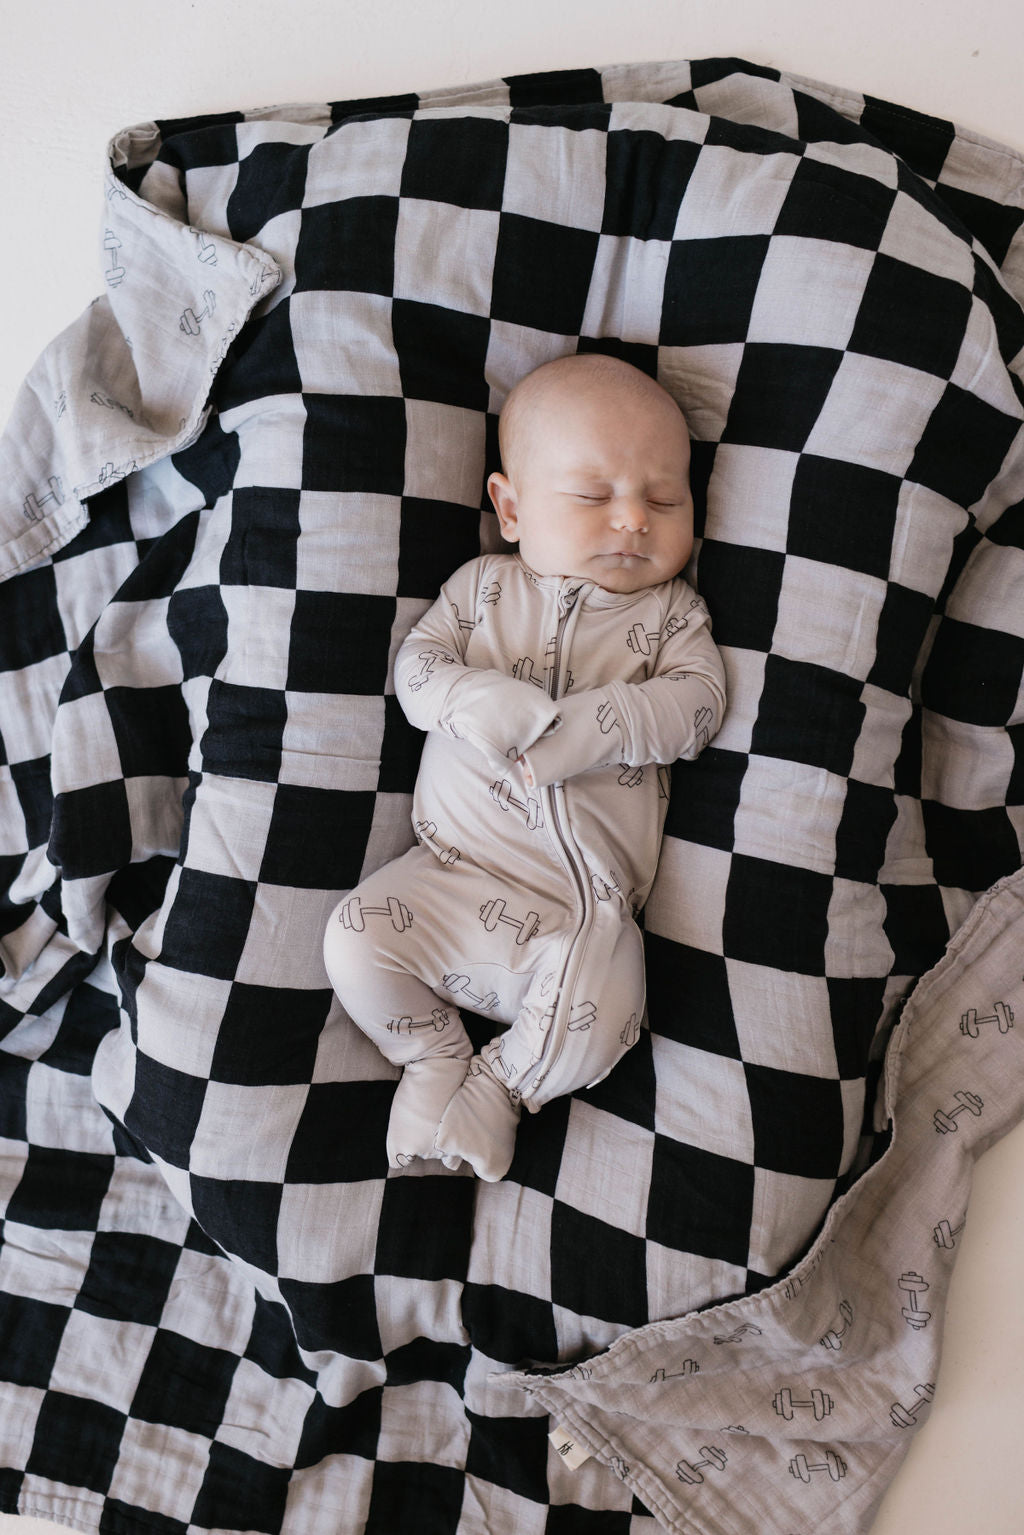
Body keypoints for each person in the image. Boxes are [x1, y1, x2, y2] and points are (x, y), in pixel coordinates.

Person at [323, 353, 727, 1180]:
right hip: (449, 878)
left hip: (579, 916)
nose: (633, 520)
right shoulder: (481, 592)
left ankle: (501, 1085)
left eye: (664, 500)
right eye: (593, 495)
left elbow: (699, 704)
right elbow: (416, 672)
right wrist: (470, 697)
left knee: (612, 1000)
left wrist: (602, 724)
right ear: (511, 509)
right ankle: (432, 1054)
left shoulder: (672, 614)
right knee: (354, 937)